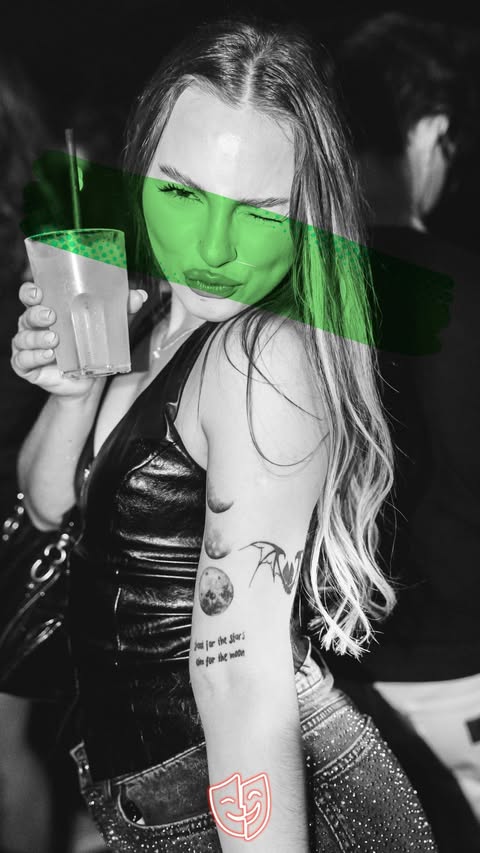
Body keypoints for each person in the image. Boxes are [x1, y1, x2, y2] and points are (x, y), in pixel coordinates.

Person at [10, 19, 438, 852]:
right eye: (181, 193)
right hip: (159, 787)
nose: (211, 247)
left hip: (237, 800)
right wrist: (74, 393)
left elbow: (241, 675)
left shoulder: (260, 356)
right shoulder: (152, 314)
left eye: (259, 211)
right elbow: (50, 506)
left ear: (310, 214)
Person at [321, 12, 480, 848]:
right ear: (429, 129)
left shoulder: (294, 298)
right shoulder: (469, 289)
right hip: (468, 674)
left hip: (344, 685)